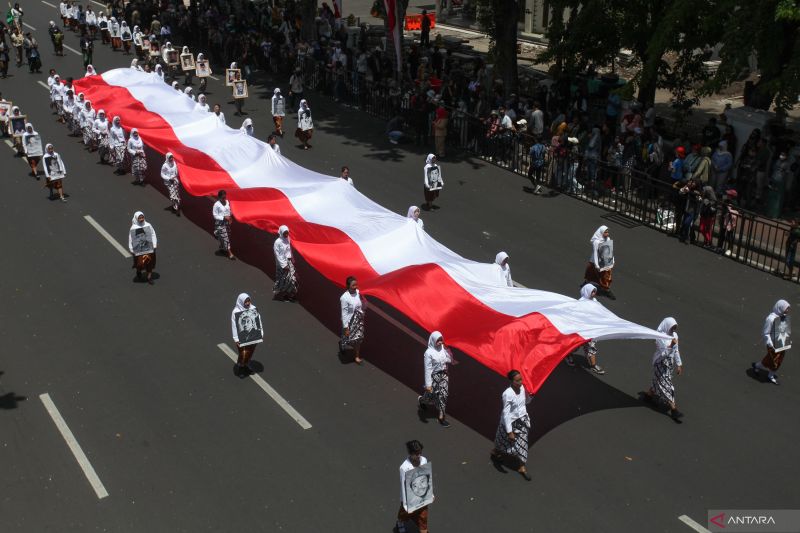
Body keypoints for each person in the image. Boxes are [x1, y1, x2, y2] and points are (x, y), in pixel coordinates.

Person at [490, 370, 533, 481]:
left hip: (522, 421)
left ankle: (522, 467)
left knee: (522, 444)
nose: (520, 382)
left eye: (521, 379)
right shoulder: (507, 394)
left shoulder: (523, 388)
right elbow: (506, 413)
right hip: (509, 423)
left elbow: (526, 402)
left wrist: (530, 395)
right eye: (517, 380)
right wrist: (509, 431)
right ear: (511, 381)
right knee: (502, 441)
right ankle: (495, 452)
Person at [642, 318, 684, 422]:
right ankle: (673, 409)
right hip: (660, 363)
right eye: (672, 327)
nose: (674, 330)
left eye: (675, 328)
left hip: (669, 365)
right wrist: (671, 345)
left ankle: (648, 396)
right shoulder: (659, 337)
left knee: (658, 382)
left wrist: (679, 364)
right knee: (667, 385)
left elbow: (676, 351)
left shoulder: (674, 336)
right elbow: (663, 353)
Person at [565, 284, 606, 374]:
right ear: (587, 291)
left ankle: (593, 366)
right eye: (592, 291)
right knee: (575, 346)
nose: (594, 293)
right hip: (580, 330)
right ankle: (568, 355)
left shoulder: (595, 301)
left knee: (591, 347)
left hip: (591, 331)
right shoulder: (580, 303)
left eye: (595, 291)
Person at [418, 331, 452, 427]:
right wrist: (428, 385)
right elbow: (428, 369)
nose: (440, 342)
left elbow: (450, 360)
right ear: (433, 340)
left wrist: (447, 350)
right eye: (438, 340)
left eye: (441, 340)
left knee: (443, 395)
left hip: (444, 375)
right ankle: (422, 400)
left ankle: (441, 417)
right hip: (434, 377)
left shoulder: (443, 348)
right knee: (430, 396)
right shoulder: (428, 353)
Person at [752, 300, 791, 385]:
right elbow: (765, 333)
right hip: (773, 344)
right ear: (781, 307)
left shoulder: (783, 317)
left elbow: (784, 330)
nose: (788, 310)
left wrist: (787, 339)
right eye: (786, 308)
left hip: (781, 343)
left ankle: (770, 375)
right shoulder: (771, 318)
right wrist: (770, 344)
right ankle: (757, 366)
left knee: (779, 360)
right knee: (772, 360)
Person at [396, 440, 430, 533]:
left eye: (420, 453)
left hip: (422, 495)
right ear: (410, 453)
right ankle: (400, 522)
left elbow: (427, 477)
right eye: (416, 454)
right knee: (404, 514)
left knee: (423, 517)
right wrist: (406, 505)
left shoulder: (424, 460)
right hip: (409, 498)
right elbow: (404, 487)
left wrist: (430, 494)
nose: (419, 456)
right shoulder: (404, 467)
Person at [583, 225, 615, 299]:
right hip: (595, 261)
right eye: (605, 232)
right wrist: (597, 265)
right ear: (601, 233)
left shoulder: (608, 239)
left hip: (604, 262)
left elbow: (610, 250)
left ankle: (606, 290)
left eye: (607, 232)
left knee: (606, 276)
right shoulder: (596, 242)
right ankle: (586, 283)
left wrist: (612, 260)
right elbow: (595, 253)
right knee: (590, 273)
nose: (607, 234)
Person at [231, 293, 260, 376]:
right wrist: (236, 339)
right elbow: (234, 325)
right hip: (241, 338)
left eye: (248, 301)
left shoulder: (253, 309)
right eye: (245, 301)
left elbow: (258, 321)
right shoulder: (236, 312)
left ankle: (245, 365)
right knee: (244, 353)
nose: (247, 303)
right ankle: (240, 367)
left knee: (250, 352)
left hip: (253, 336)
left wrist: (261, 333)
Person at [340, 276, 366, 365]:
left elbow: (363, 303)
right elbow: (344, 313)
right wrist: (346, 327)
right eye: (353, 285)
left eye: (356, 284)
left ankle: (356, 356)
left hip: (358, 321)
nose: (355, 287)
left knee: (358, 338)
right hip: (349, 321)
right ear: (348, 286)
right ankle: (343, 345)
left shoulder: (359, 293)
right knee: (346, 337)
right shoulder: (344, 298)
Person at [128, 211, 157, 284]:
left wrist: (154, 244)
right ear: (136, 218)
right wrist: (131, 248)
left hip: (149, 249)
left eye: (142, 217)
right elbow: (131, 239)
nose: (141, 219)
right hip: (139, 251)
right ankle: (139, 270)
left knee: (150, 262)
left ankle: (149, 277)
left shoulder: (148, 225)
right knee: (140, 263)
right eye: (139, 218)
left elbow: (153, 234)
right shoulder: (133, 228)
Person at [272, 225, 298, 301]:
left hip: (289, 262)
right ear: (281, 232)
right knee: (283, 280)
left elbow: (289, 250)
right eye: (285, 233)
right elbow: (278, 255)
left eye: (287, 232)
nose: (286, 234)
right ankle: (283, 295)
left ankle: (289, 295)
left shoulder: (288, 239)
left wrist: (292, 260)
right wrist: (284, 265)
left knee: (292, 279)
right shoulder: (277, 242)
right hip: (282, 265)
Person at [213, 190, 235, 260]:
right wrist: (224, 217)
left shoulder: (227, 202)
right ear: (219, 197)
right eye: (222, 198)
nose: (224, 199)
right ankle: (230, 253)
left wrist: (231, 217)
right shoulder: (216, 205)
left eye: (225, 197)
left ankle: (222, 247)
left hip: (227, 223)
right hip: (220, 224)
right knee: (226, 238)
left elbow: (229, 211)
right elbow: (215, 215)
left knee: (227, 235)